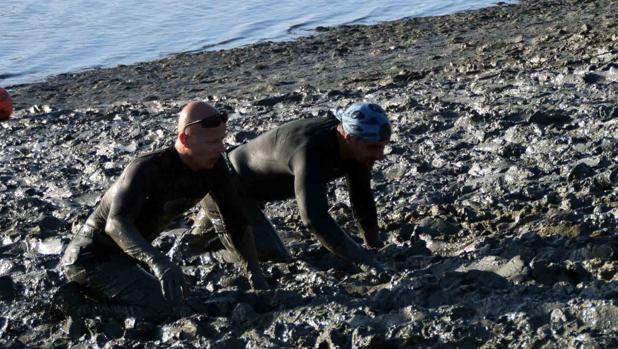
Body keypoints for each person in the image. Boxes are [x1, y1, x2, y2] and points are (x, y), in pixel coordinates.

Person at [56, 101, 267, 324]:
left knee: (183, 299)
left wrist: (256, 276)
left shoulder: (214, 167)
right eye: (213, 142)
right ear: (186, 139)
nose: (222, 148)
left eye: (222, 140)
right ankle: (80, 308)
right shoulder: (147, 169)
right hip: (90, 259)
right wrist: (158, 262)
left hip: (130, 259)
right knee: (166, 310)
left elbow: (235, 220)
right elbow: (115, 224)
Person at [195, 102, 392, 273]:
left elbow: (361, 196)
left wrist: (373, 245)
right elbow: (314, 218)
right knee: (271, 254)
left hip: (249, 190)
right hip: (225, 184)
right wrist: (366, 263)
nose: (381, 155)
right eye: (375, 147)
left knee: (198, 240)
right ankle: (206, 259)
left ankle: (197, 245)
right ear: (349, 137)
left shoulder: (359, 148)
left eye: (383, 146)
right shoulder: (311, 150)